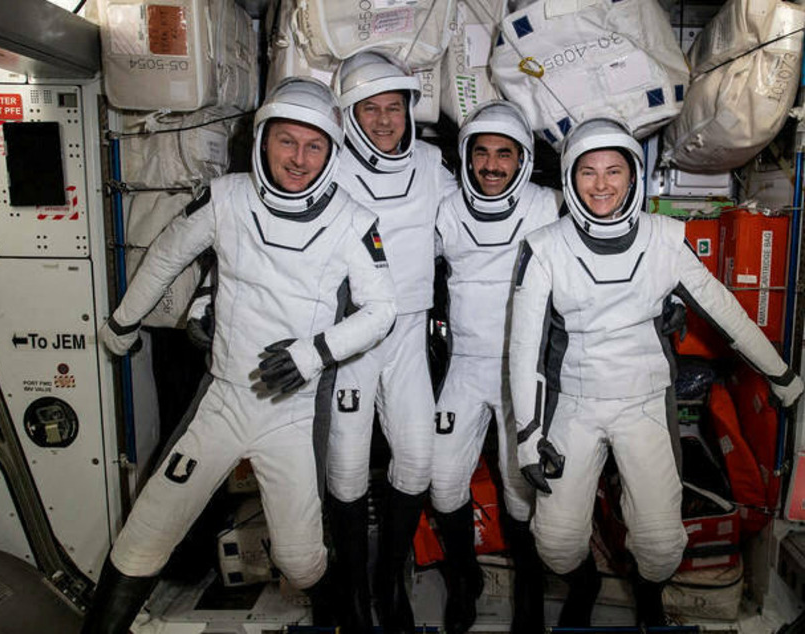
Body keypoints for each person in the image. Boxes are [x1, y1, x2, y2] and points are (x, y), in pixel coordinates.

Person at [84, 77, 397, 634]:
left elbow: (382, 311)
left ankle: (343, 618)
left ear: (331, 150)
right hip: (223, 401)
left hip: (292, 413)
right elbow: (166, 254)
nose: (299, 159)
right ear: (263, 140)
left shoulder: (354, 220)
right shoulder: (227, 197)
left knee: (301, 559)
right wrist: (122, 322)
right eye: (286, 142)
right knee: (145, 535)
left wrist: (312, 354)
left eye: (314, 145)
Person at [508, 117, 805, 628]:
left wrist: (781, 373)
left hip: (644, 402)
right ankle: (587, 581)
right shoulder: (544, 246)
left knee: (662, 546)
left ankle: (648, 598)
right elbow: (523, 347)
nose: (601, 184)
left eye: (614, 171)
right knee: (555, 546)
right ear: (570, 178)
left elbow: (726, 311)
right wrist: (529, 435)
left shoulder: (667, 239)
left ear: (632, 177)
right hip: (573, 404)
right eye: (588, 172)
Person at [326, 50, 456, 634]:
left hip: (407, 330)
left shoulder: (431, 164)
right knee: (348, 471)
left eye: (393, 107)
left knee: (419, 462)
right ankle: (355, 591)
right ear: (349, 115)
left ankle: (389, 578)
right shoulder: (325, 167)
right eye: (369, 109)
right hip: (350, 337)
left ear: (409, 109)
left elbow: (473, 225)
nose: (383, 120)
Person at [432, 100, 559, 634]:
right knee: (440, 482)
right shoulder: (445, 207)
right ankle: (465, 580)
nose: (490, 164)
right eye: (480, 152)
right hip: (463, 366)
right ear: (465, 155)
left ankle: (529, 594)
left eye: (504, 154)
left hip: (521, 373)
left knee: (519, 490)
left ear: (523, 160)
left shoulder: (550, 206)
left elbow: (609, 245)